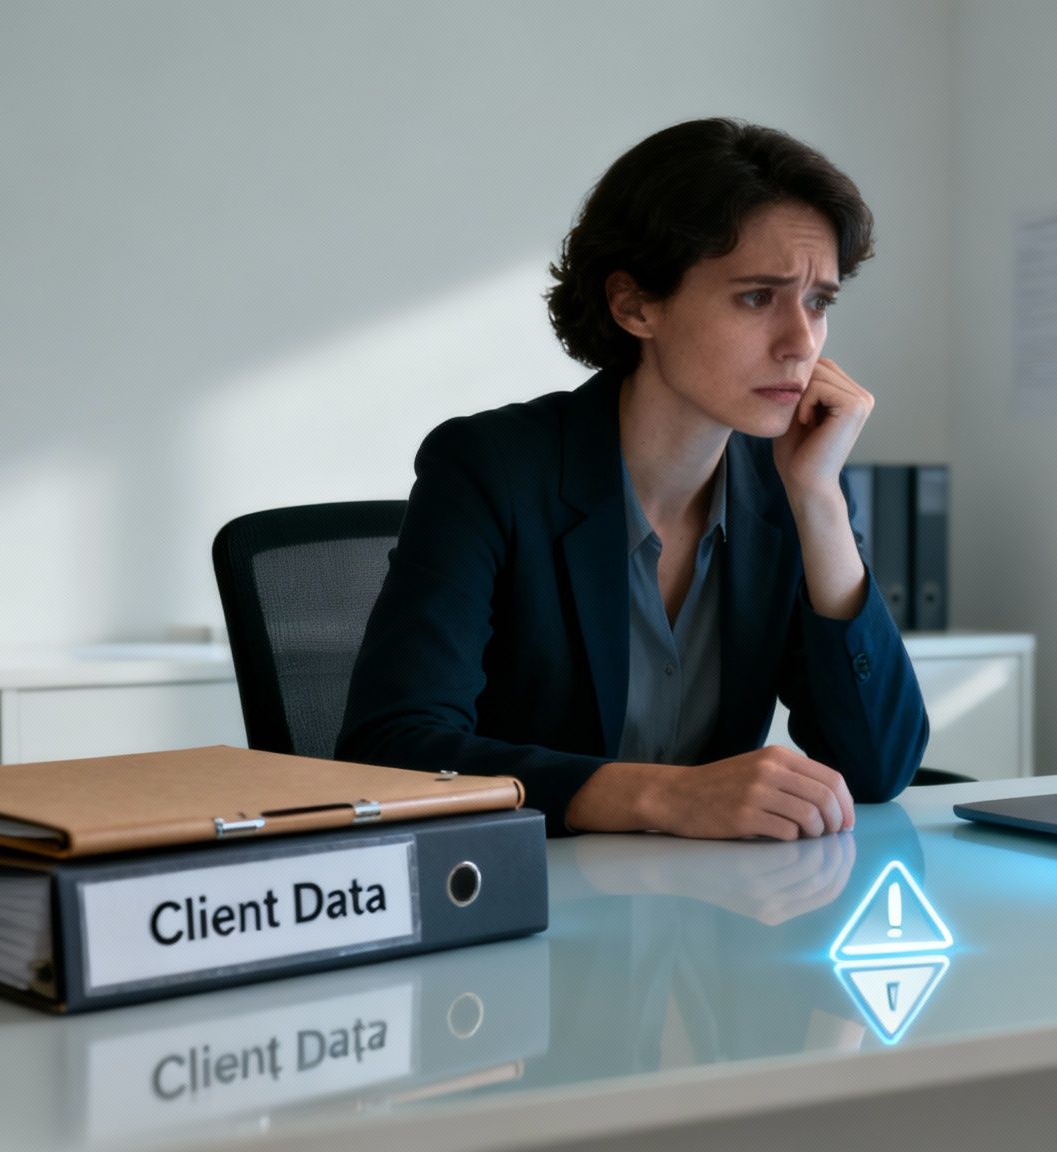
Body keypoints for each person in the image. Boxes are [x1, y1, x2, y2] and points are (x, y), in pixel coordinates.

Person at [337, 118, 929, 840]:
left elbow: (880, 767)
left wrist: (821, 504)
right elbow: (391, 751)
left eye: (818, 302)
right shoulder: (491, 466)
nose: (800, 344)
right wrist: (664, 797)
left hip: (716, 917)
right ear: (634, 305)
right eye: (756, 297)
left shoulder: (790, 487)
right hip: (531, 908)